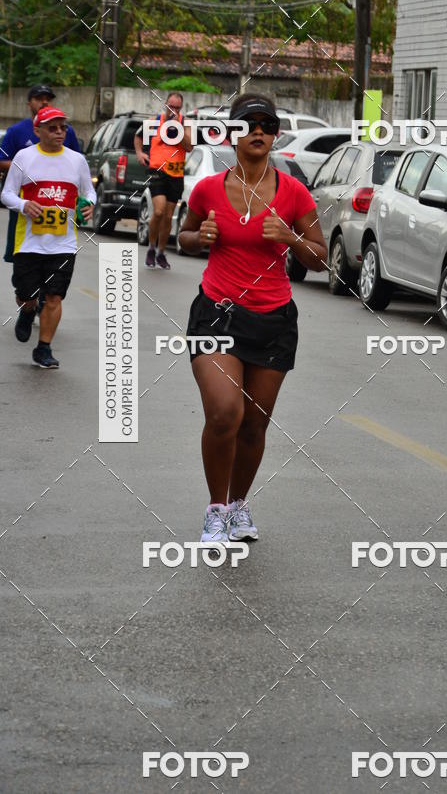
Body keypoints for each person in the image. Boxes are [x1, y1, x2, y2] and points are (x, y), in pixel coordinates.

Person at [178, 94, 328, 543]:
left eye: (266, 124)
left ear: (275, 134)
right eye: (248, 124)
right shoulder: (208, 189)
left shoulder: (294, 193)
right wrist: (197, 236)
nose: (257, 131)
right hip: (217, 312)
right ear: (233, 134)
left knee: (255, 424)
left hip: (274, 319)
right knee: (225, 412)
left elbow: (320, 259)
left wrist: (291, 237)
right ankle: (215, 508)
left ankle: (239, 504)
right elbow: (183, 235)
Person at [0, 107, 95, 368]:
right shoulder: (24, 157)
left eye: (63, 127)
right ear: (37, 130)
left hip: (63, 244)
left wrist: (89, 204)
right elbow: (6, 194)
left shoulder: (77, 160)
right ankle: (27, 309)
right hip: (29, 242)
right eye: (52, 127)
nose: (59, 132)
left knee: (54, 297)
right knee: (27, 295)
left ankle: (43, 348)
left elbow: (89, 192)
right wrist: (23, 205)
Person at [1, 84, 81, 264]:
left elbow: (78, 161)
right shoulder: (16, 131)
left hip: (59, 199)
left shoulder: (67, 131)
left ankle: (50, 289)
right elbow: (2, 159)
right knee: (22, 257)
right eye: (39, 99)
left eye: (48, 99)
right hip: (27, 198)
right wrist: (26, 169)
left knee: (55, 260)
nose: (44, 102)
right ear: (29, 103)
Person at [134, 91, 192, 270]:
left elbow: (189, 146)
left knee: (168, 217)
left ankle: (161, 252)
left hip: (176, 174)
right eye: (170, 106)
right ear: (165, 105)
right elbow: (137, 136)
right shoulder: (154, 121)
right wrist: (139, 152)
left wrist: (178, 130)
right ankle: (151, 248)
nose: (172, 110)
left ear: (180, 108)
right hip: (157, 172)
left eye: (176, 107)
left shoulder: (185, 123)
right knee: (158, 212)